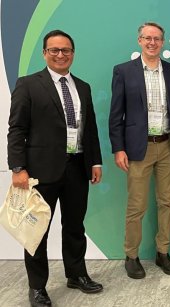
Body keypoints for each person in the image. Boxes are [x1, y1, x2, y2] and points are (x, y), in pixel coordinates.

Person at [8, 29, 103, 307]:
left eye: (66, 50)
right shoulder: (28, 84)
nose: (61, 55)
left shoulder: (82, 87)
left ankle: (76, 275)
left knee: (74, 226)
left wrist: (94, 161)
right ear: (45, 53)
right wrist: (17, 168)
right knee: (36, 232)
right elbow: (17, 129)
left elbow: (90, 130)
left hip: (77, 167)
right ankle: (37, 287)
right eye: (54, 50)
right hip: (39, 172)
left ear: (73, 53)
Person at [109, 22, 170, 279]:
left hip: (168, 146)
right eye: (147, 38)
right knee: (136, 206)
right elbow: (115, 114)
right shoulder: (123, 71)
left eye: (157, 39)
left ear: (163, 43)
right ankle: (131, 256)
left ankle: (162, 252)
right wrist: (118, 148)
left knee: (167, 202)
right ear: (139, 40)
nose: (152, 42)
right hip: (137, 148)